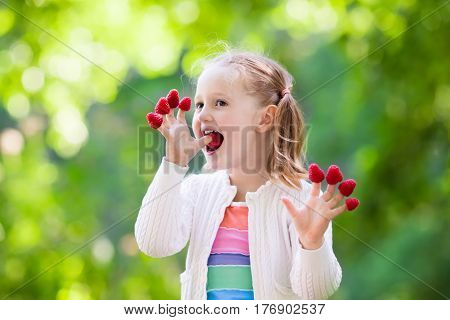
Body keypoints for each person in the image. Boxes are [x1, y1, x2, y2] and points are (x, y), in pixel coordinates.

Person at [135, 48, 348, 300]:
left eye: (220, 103)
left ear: (265, 118)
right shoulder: (197, 191)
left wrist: (312, 244)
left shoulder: (301, 199)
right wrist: (173, 164)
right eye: (200, 104)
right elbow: (154, 243)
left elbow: (316, 292)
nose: (202, 114)